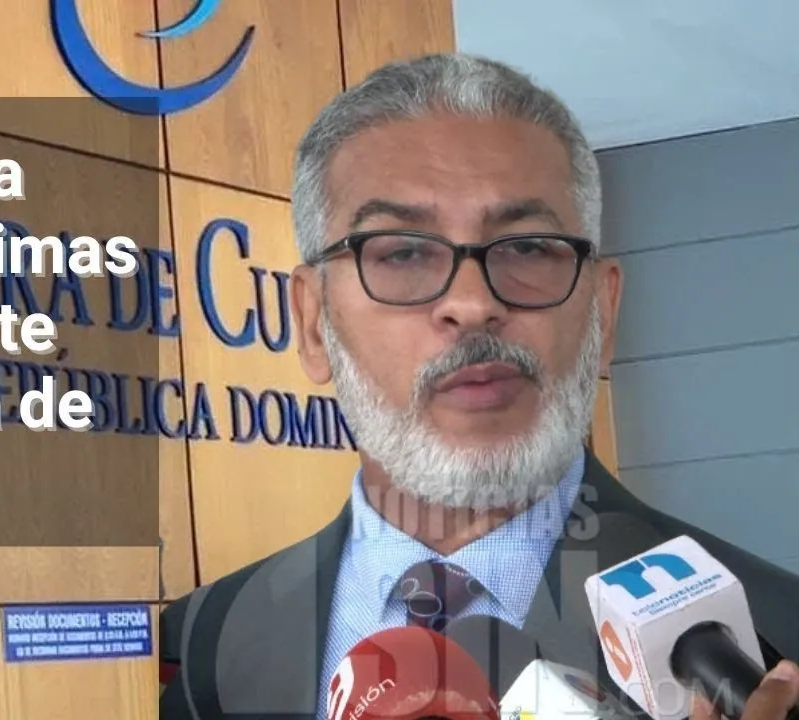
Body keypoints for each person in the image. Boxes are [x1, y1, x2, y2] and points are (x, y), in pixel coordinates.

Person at [158, 52, 799, 720]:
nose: (472, 302)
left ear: (603, 313)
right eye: (403, 252)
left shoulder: (776, 640)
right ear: (314, 323)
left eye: (527, 247)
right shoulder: (197, 649)